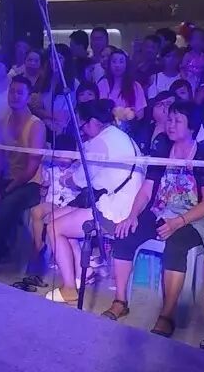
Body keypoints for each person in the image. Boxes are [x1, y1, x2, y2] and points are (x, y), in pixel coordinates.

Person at [103, 101, 204, 337]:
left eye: (178, 121)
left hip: (194, 218)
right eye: (170, 120)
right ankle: (120, 301)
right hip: (161, 211)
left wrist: (178, 222)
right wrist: (132, 215)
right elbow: (147, 191)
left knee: (176, 245)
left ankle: (167, 315)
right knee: (124, 234)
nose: (171, 125)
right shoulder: (162, 150)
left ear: (191, 126)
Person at [44, 99, 144, 304]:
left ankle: (69, 288)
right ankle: (84, 272)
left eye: (82, 125)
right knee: (56, 218)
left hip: (116, 211)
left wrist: (65, 179)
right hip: (121, 202)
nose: (81, 131)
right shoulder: (119, 136)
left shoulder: (101, 142)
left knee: (54, 228)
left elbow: (80, 180)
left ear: (93, 122)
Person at [0, 76, 46, 277]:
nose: (15, 96)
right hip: (8, 179)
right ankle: (0, 248)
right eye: (12, 91)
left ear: (28, 97)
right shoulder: (3, 122)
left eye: (20, 93)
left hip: (31, 183)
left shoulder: (36, 125)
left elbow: (32, 166)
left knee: (7, 204)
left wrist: (7, 190)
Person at [97, 49, 146, 120]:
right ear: (109, 64)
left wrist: (129, 115)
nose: (117, 65)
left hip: (129, 124)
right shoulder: (103, 84)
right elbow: (99, 109)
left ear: (127, 64)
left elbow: (140, 114)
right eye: (114, 62)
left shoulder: (136, 86)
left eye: (121, 62)